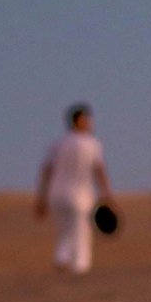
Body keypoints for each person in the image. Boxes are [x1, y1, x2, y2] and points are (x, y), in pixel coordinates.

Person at [35, 103, 117, 274]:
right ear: (79, 121)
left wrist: (42, 197)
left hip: (56, 195)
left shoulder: (57, 145)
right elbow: (99, 170)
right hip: (80, 194)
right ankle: (80, 268)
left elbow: (46, 171)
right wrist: (107, 194)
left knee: (65, 230)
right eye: (87, 119)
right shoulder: (91, 144)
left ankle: (61, 257)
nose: (90, 123)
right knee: (81, 230)